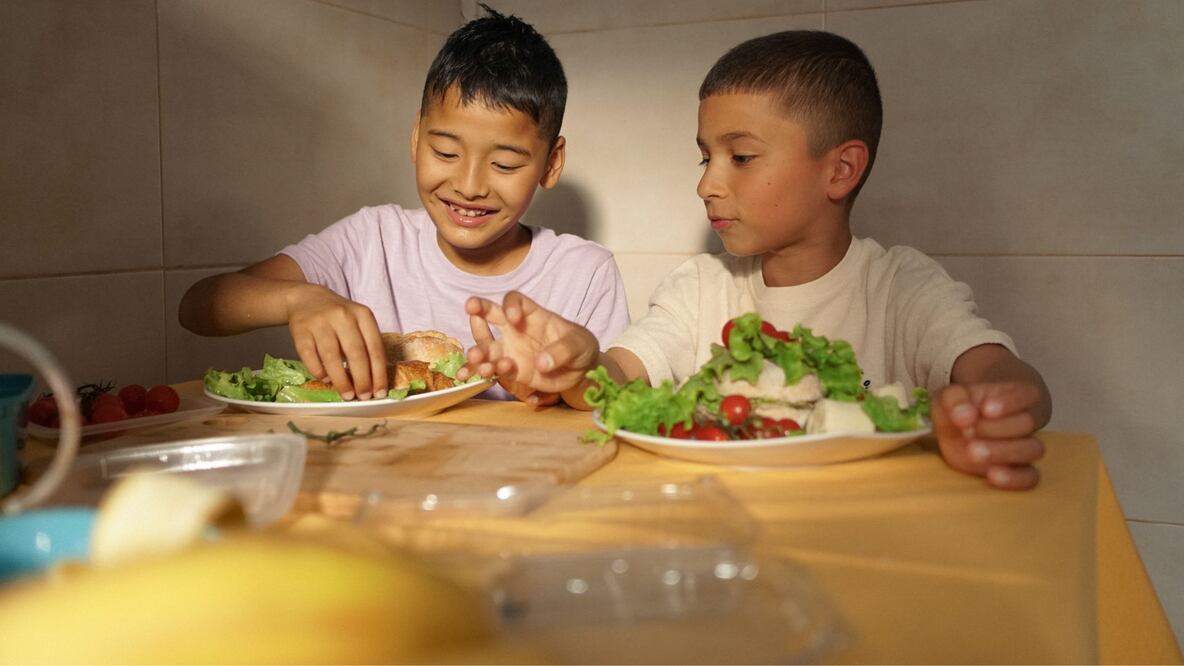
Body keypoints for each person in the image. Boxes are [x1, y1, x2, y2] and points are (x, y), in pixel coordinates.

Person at [459, 30, 1052, 489]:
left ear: (840, 170)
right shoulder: (700, 286)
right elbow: (617, 378)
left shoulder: (902, 287)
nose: (708, 186)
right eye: (704, 159)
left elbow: (1004, 376)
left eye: (740, 157)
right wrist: (574, 367)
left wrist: (989, 408)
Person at [178, 6, 629, 402]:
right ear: (416, 138)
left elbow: (614, 396)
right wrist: (298, 300)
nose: (469, 186)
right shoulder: (372, 239)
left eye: (505, 164)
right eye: (446, 153)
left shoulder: (583, 273)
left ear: (551, 163)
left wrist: (567, 381)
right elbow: (199, 306)